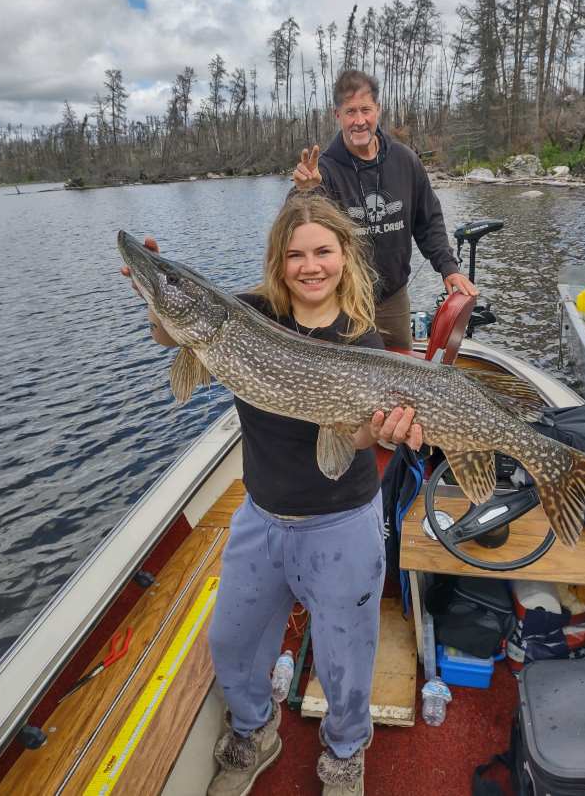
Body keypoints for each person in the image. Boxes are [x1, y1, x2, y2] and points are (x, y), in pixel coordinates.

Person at [123, 193, 422, 796]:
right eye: (295, 255)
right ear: (278, 263)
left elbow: (356, 436)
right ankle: (255, 730)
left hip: (341, 524)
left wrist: (379, 431)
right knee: (230, 640)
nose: (310, 266)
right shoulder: (245, 313)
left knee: (345, 659)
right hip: (261, 516)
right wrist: (157, 295)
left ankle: (343, 752)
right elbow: (174, 332)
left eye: (322, 252)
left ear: (345, 257)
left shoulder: (362, 341)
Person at [293, 68, 477, 347]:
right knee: (349, 384)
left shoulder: (405, 160)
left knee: (398, 377)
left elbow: (428, 221)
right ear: (337, 115)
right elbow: (298, 227)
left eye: (365, 110)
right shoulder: (325, 169)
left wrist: (448, 267)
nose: (359, 121)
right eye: (350, 111)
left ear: (378, 110)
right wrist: (306, 192)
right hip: (342, 302)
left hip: (393, 298)